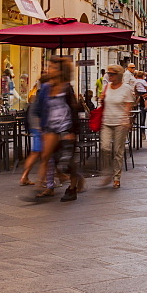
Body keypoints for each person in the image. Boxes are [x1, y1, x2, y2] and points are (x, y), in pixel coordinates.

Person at [34, 56, 83, 202]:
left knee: (67, 163)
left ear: (61, 71)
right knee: (47, 157)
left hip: (66, 129)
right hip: (51, 128)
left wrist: (73, 132)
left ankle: (73, 187)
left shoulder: (66, 87)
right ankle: (39, 188)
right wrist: (42, 127)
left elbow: (74, 110)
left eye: (53, 67)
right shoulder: (47, 88)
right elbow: (42, 108)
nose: (50, 70)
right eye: (49, 67)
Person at [101, 64, 134, 188]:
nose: (109, 75)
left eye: (112, 74)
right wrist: (101, 98)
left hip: (120, 122)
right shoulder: (106, 87)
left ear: (118, 75)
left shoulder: (126, 88)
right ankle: (108, 171)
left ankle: (116, 177)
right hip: (106, 121)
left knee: (117, 151)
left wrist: (126, 119)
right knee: (105, 148)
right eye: (108, 73)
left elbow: (128, 106)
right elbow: (102, 103)